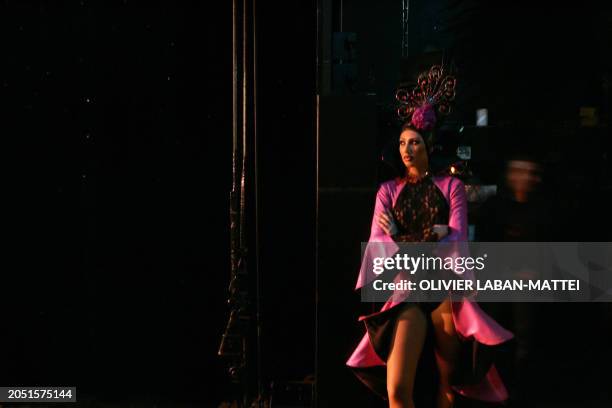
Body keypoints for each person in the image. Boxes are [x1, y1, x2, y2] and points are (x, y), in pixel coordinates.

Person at [346, 65, 514, 408]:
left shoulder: (450, 186)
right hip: (407, 290)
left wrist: (402, 237)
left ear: (429, 144)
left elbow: (454, 242)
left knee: (450, 388)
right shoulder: (387, 191)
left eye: (415, 142)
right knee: (396, 391)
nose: (407, 149)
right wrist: (425, 237)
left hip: (443, 289)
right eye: (403, 143)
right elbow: (379, 249)